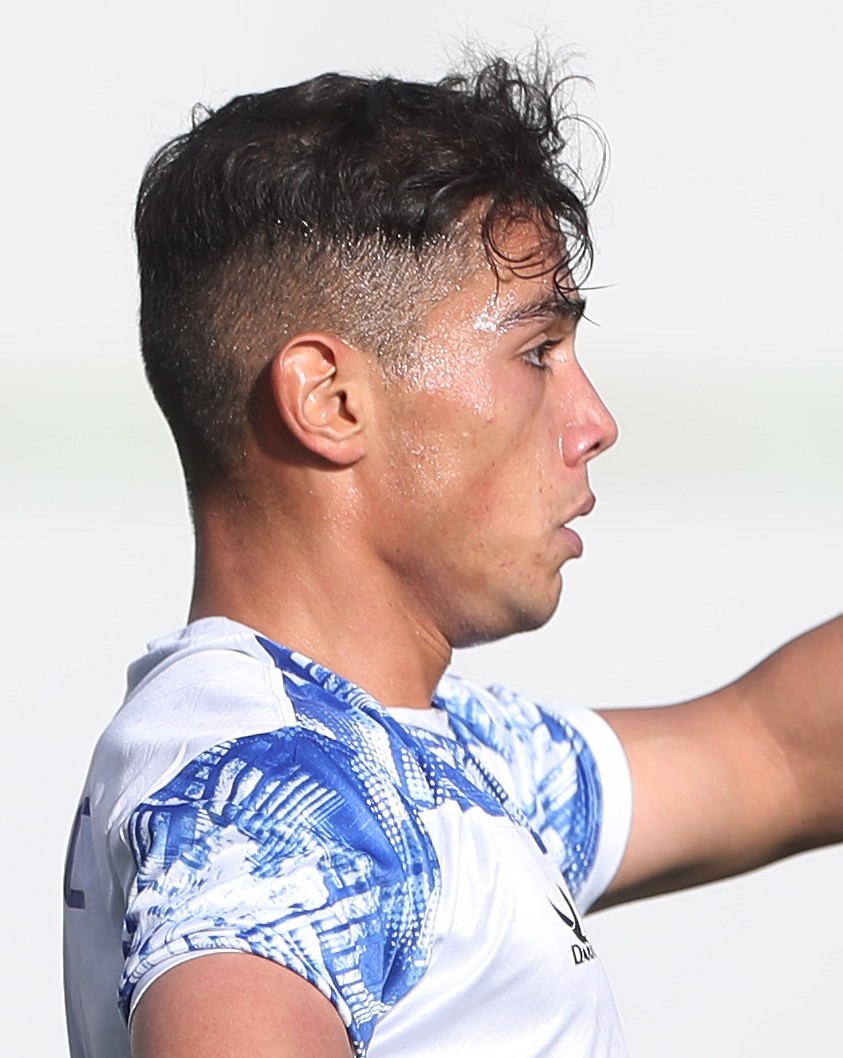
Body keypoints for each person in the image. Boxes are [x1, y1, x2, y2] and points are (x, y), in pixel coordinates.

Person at [63, 54, 843, 1058]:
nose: (595, 421)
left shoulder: (408, 750)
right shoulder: (275, 797)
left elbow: (771, 753)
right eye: (536, 352)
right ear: (331, 401)